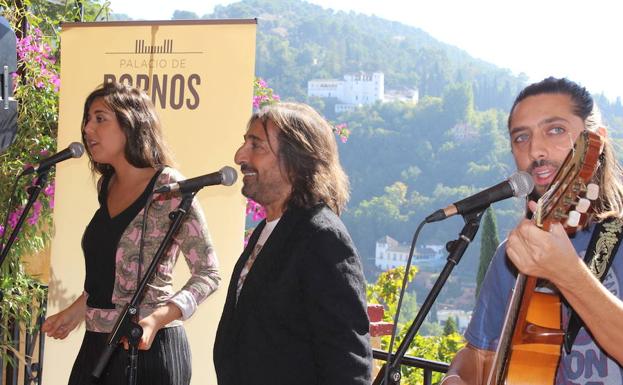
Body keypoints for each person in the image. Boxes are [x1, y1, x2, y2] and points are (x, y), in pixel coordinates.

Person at [442, 77, 623, 384]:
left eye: (555, 130)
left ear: (596, 142)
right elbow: (478, 353)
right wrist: (455, 378)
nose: (536, 149)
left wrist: (568, 274)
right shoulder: (512, 256)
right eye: (521, 137)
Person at [42, 82, 220, 385]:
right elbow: (113, 276)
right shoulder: (107, 186)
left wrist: (158, 318)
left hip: (149, 348)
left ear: (131, 123)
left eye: (100, 118)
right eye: (87, 119)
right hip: (98, 344)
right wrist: (74, 313)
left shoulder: (170, 188)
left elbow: (209, 273)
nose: (87, 129)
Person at [213, 102, 372, 385]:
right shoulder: (269, 229)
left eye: (256, 145)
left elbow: (347, 360)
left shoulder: (322, 237)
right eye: (244, 143)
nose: (240, 156)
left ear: (296, 161)